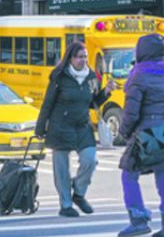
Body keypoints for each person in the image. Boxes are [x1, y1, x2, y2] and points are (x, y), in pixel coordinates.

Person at [35, 41, 110, 218]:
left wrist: (106, 92)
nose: (83, 60)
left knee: (90, 160)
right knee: (62, 168)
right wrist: (40, 127)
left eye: (85, 57)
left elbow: (93, 103)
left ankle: (79, 192)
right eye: (79, 57)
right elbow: (48, 103)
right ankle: (66, 204)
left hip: (82, 126)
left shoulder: (91, 77)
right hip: (60, 125)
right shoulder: (59, 76)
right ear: (71, 58)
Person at [117, 34, 164, 237]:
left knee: (128, 174)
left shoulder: (139, 75)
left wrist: (124, 132)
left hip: (143, 134)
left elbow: (131, 111)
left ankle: (139, 219)